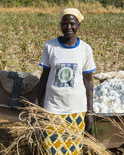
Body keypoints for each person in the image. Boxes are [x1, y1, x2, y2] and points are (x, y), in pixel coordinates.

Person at [34, 8, 96, 154]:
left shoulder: (85, 49)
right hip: (53, 109)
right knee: (51, 149)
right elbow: (44, 77)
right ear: (60, 25)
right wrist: (35, 104)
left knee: (73, 150)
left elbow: (89, 81)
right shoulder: (50, 46)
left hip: (76, 111)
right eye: (65, 23)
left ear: (78, 26)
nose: (68, 27)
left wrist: (90, 111)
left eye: (72, 23)